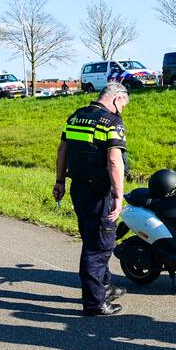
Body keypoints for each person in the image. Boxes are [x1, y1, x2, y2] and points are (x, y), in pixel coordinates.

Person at [53, 82, 130, 316]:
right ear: (116, 98)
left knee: (92, 237)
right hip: (99, 192)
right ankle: (95, 303)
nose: (121, 110)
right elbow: (114, 161)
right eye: (123, 105)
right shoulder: (111, 122)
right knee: (99, 246)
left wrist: (59, 181)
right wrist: (118, 195)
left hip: (78, 189)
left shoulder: (75, 117)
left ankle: (104, 287)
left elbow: (62, 150)